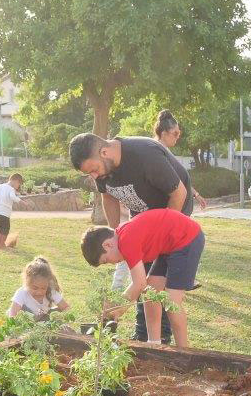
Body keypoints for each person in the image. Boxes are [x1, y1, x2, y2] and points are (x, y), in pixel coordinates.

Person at [70, 132, 190, 344]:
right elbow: (108, 196)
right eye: (89, 174)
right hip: (142, 221)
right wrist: (117, 236)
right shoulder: (103, 173)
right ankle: (144, 335)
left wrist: (164, 236)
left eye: (94, 170)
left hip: (172, 216)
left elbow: (179, 193)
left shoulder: (145, 155)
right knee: (142, 277)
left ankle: (162, 337)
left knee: (158, 279)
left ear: (104, 152)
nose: (95, 177)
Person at [79, 207, 204, 348]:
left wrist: (118, 309)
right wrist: (116, 304)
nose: (112, 263)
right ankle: (154, 344)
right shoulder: (124, 236)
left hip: (187, 239)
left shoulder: (126, 240)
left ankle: (185, 353)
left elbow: (139, 283)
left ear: (107, 245)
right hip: (170, 244)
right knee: (150, 293)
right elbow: (141, 284)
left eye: (106, 260)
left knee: (172, 302)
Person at [153, 110, 207, 211]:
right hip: (170, 212)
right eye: (175, 133)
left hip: (179, 212)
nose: (178, 136)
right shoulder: (157, 154)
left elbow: (178, 180)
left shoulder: (166, 152)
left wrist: (196, 194)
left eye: (179, 133)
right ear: (164, 133)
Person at [0, 173, 23, 248]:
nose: (18, 186)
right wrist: (22, 202)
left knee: (1, 227)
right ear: (15, 181)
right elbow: (13, 197)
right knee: (6, 227)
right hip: (4, 212)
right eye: (19, 184)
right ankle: (1, 244)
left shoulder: (1, 186)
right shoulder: (11, 189)